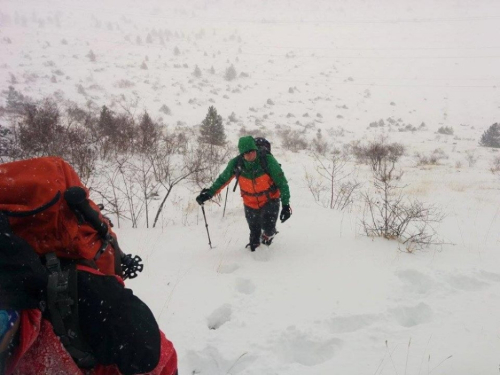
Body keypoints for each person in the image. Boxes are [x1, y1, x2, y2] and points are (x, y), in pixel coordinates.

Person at [196, 136, 291, 251]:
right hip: (250, 203)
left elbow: (282, 183)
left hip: (270, 200)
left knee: (268, 228)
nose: (250, 155)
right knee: (254, 233)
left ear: (255, 150)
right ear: (242, 154)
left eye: (252, 151)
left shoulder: (267, 161)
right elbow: (223, 179)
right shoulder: (236, 164)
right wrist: (209, 193)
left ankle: (268, 238)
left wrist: (285, 205)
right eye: (246, 153)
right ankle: (254, 253)